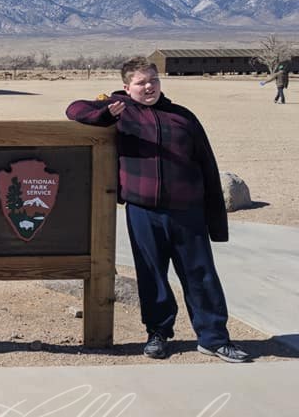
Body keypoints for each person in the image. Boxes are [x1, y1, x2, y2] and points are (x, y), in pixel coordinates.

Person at [66, 56, 251, 363]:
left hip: (187, 211)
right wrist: (105, 113)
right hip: (143, 210)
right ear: (127, 87)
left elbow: (207, 164)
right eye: (141, 82)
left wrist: (216, 222)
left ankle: (214, 338)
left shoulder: (182, 117)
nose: (149, 87)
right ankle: (158, 334)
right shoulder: (119, 114)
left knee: (200, 274)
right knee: (152, 275)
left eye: (153, 80)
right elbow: (74, 110)